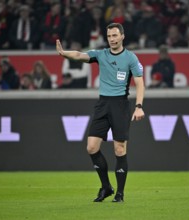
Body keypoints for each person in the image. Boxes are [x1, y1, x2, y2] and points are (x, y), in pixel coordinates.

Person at [56, 23, 145, 203]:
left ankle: (120, 193)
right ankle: (106, 187)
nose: (112, 39)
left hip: (120, 104)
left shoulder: (130, 58)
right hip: (103, 104)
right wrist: (65, 53)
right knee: (91, 147)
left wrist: (139, 106)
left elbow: (140, 83)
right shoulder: (101, 54)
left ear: (122, 36)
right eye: (109, 36)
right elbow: (80, 55)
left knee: (119, 149)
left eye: (115, 35)